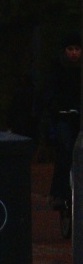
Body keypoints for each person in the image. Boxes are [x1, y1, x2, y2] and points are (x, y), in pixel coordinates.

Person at [43, 32, 81, 213]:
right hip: (63, 118)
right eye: (70, 49)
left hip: (80, 117)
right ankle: (58, 193)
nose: (74, 53)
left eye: (77, 49)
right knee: (65, 151)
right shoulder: (55, 69)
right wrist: (58, 108)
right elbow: (49, 94)